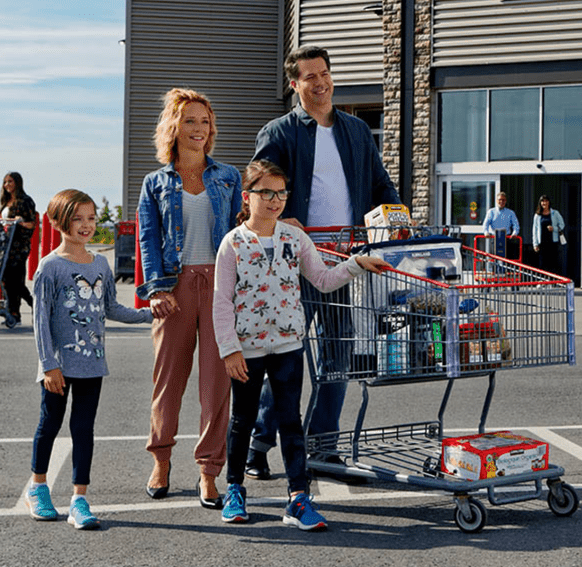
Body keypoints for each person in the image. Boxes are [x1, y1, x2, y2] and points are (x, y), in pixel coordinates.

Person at [247, 45, 400, 478]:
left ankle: (323, 446)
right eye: (310, 76)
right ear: (294, 85)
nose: (320, 82)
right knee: (286, 359)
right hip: (295, 265)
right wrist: (281, 213)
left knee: (338, 356)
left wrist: (398, 220)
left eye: (325, 73)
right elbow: (258, 186)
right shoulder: (279, 133)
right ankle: (258, 443)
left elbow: (379, 184)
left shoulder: (355, 131)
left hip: (344, 264)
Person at [212, 160, 387, 528]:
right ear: (248, 197)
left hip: (290, 345)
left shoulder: (295, 238)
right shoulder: (233, 244)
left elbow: (322, 278)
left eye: (281, 193)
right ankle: (234, 491)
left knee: (290, 420)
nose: (275, 201)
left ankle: (298, 498)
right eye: (266, 193)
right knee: (242, 420)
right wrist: (229, 348)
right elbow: (222, 301)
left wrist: (356, 264)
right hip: (247, 350)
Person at [27, 189, 171, 528]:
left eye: (91, 218)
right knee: (49, 425)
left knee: (83, 430)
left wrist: (149, 313)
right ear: (58, 221)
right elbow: (40, 322)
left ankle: (80, 498)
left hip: (92, 364)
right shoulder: (50, 267)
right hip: (58, 366)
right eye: (77, 218)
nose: (86, 225)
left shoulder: (101, 264)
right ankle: (39, 487)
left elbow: (110, 308)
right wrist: (49, 365)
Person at [137, 88, 243, 508]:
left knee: (217, 387)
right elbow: (148, 239)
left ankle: (208, 471)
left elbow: (240, 234)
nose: (199, 129)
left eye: (205, 121)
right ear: (174, 126)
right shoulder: (155, 182)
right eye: (190, 121)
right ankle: (160, 460)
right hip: (174, 288)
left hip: (220, 288)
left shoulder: (229, 176)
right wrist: (156, 291)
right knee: (168, 382)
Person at [2, 172, 37, 326]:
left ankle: (30, 305)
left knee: (15, 280)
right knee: (5, 278)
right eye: (5, 182)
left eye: (10, 181)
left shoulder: (25, 201)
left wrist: (19, 222)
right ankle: (13, 312)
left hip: (18, 247)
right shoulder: (4, 201)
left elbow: (32, 224)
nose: (7, 185)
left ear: (17, 183)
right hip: (4, 246)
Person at [531, 195, 565, 274]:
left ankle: (553, 281)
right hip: (542, 243)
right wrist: (535, 244)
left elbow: (562, 225)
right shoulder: (537, 215)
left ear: (549, 202)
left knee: (553, 263)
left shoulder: (555, 213)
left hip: (553, 242)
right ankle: (542, 281)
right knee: (542, 263)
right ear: (540, 203)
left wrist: (554, 229)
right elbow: (534, 230)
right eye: (542, 201)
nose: (544, 203)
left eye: (546, 201)